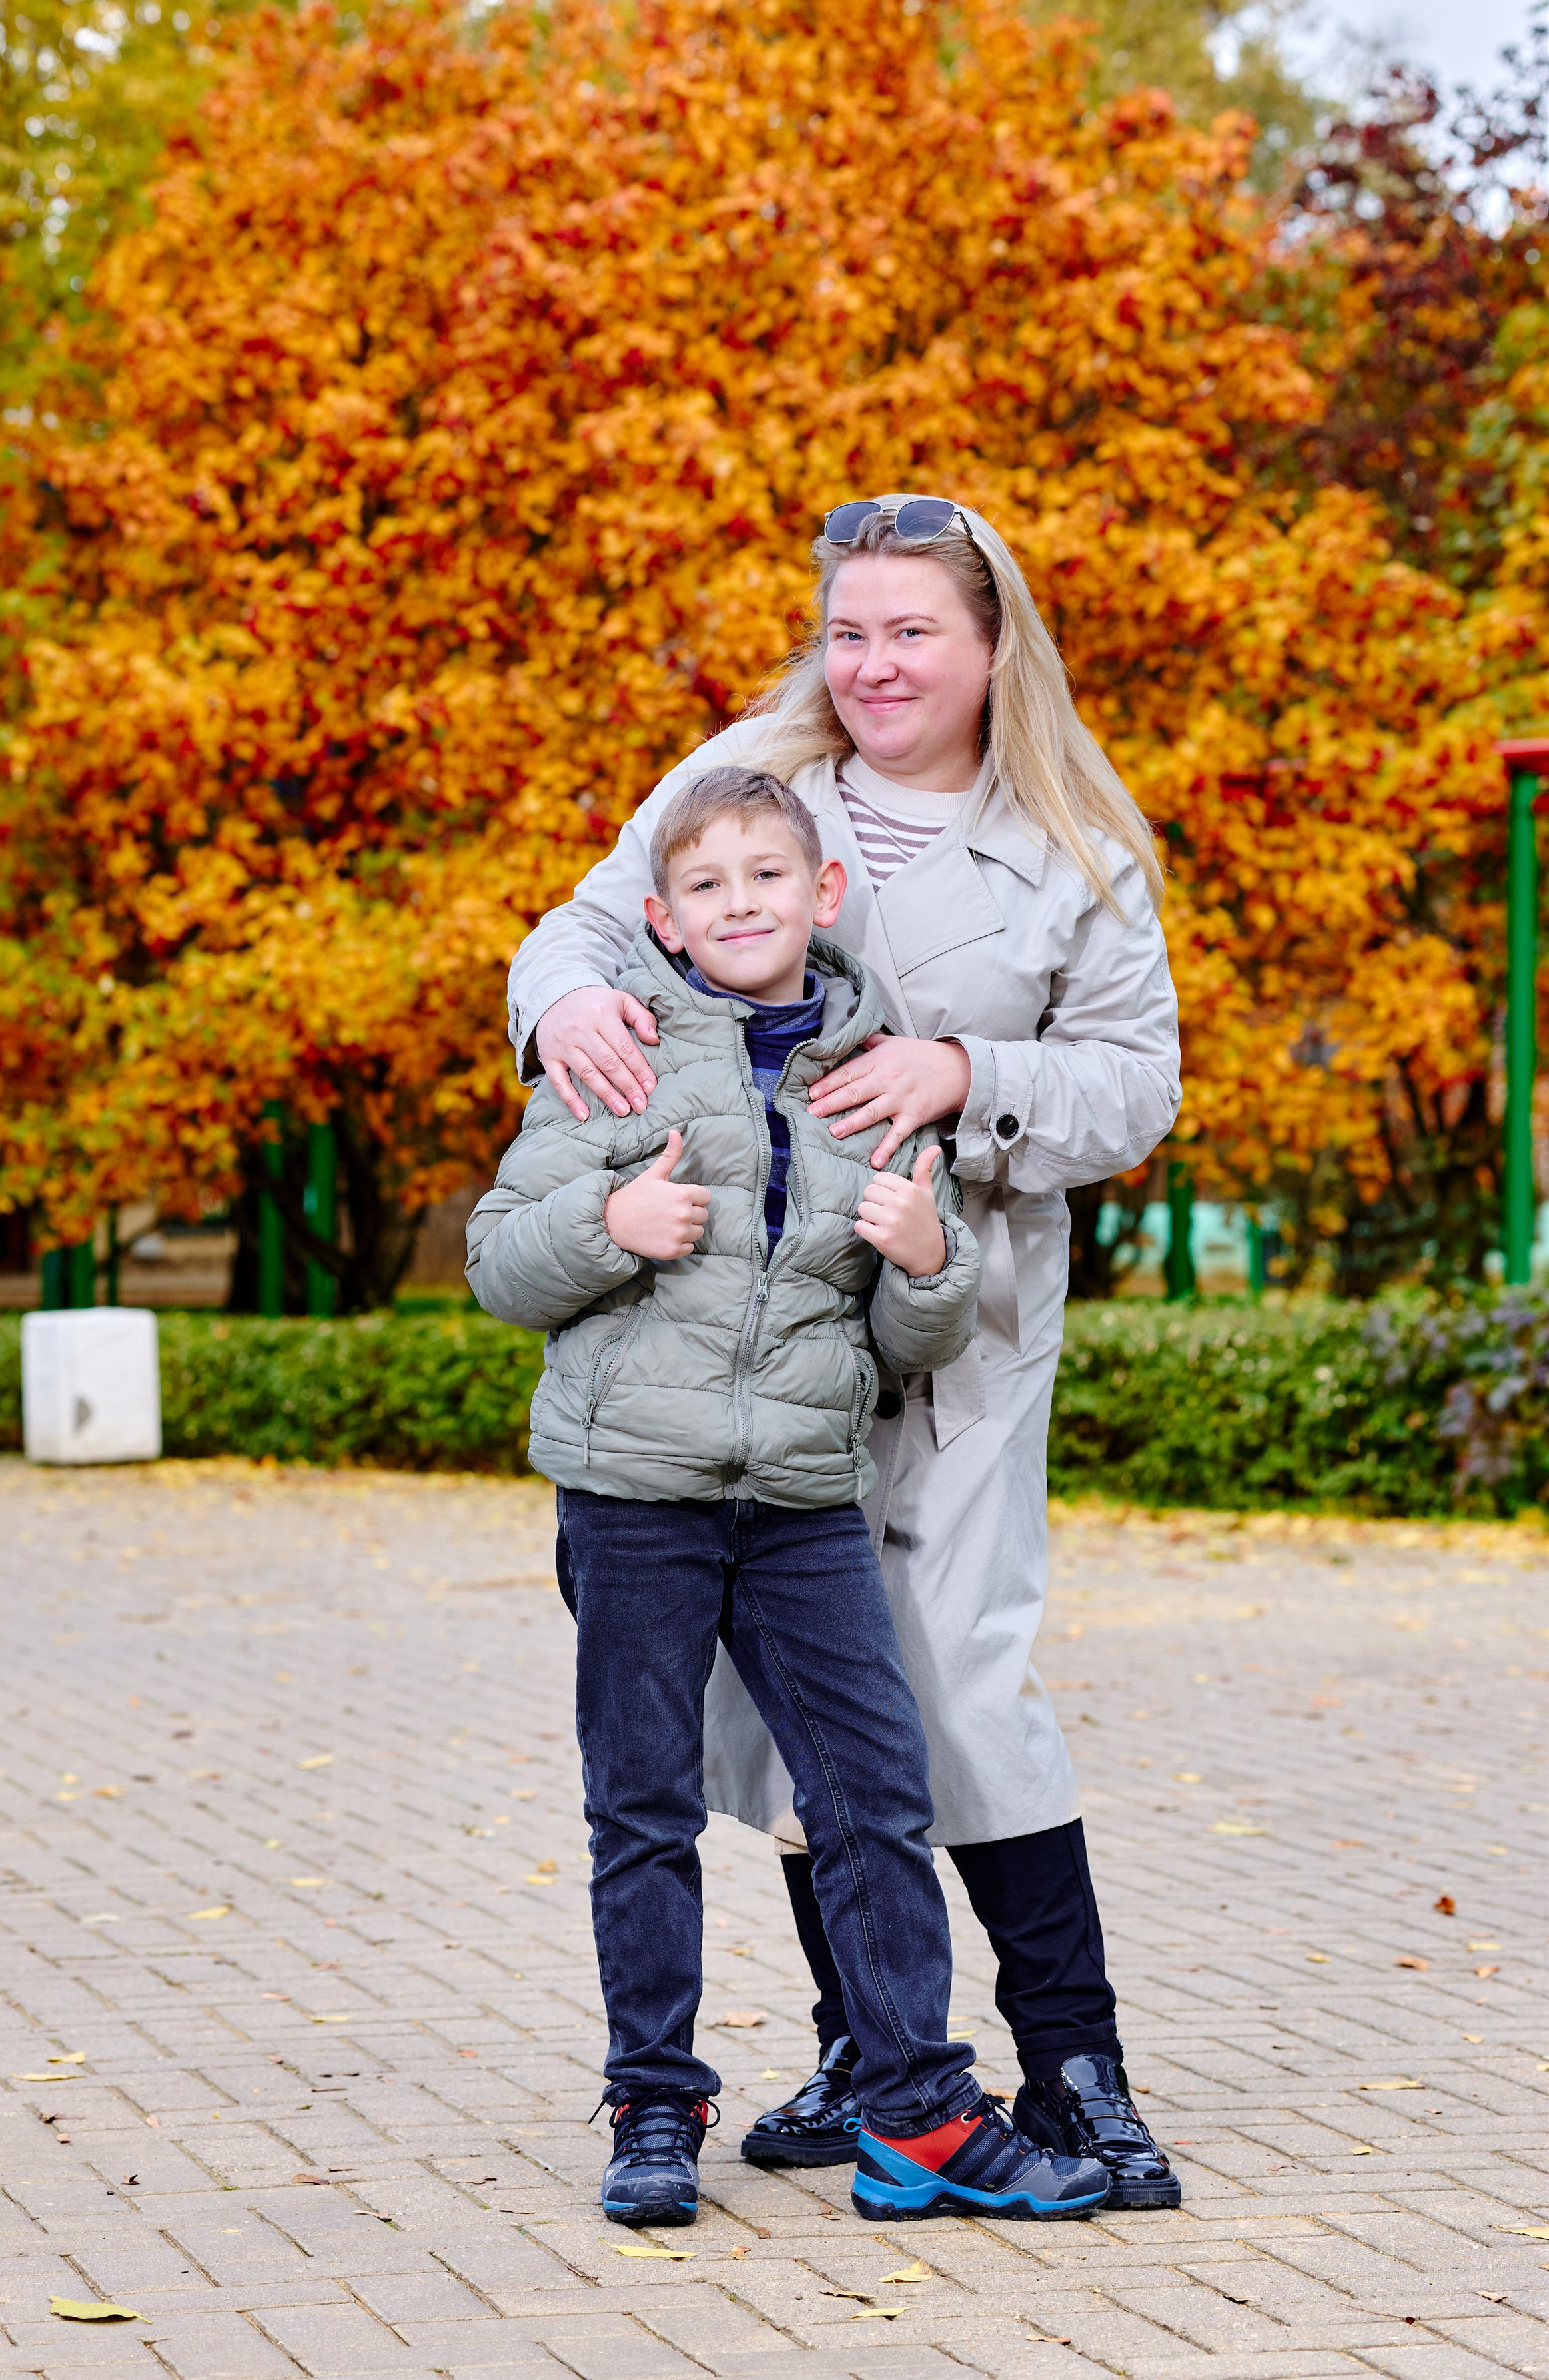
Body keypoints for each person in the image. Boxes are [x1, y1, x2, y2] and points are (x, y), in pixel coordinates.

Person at [506, 494, 1184, 2209]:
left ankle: (1076, 2062)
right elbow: (590, 925)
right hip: (734, 1330)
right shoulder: (756, 772)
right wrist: (560, 1002)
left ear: (989, 643)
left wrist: (967, 1074)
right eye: (846, 631)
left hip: (942, 1318)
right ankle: (870, 2055)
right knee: (801, 1711)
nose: (872, 666)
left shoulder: (1074, 843)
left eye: (911, 632)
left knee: (954, 1682)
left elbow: (1134, 1084)